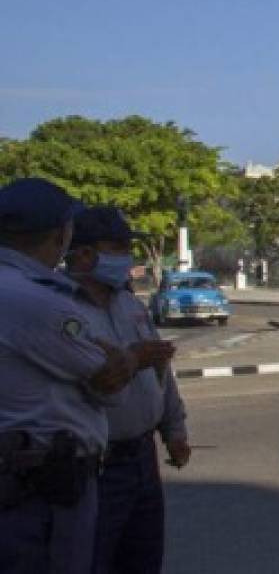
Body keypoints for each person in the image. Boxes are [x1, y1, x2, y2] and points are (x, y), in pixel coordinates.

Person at [0, 178, 140, 574]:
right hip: (41, 489)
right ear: (62, 235)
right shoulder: (38, 301)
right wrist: (128, 360)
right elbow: (108, 380)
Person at [63, 207, 186, 574]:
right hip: (95, 464)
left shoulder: (130, 304)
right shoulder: (60, 310)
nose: (125, 258)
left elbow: (162, 370)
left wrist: (174, 428)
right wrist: (132, 361)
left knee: (143, 560)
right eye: (116, 248)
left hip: (142, 458)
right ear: (84, 254)